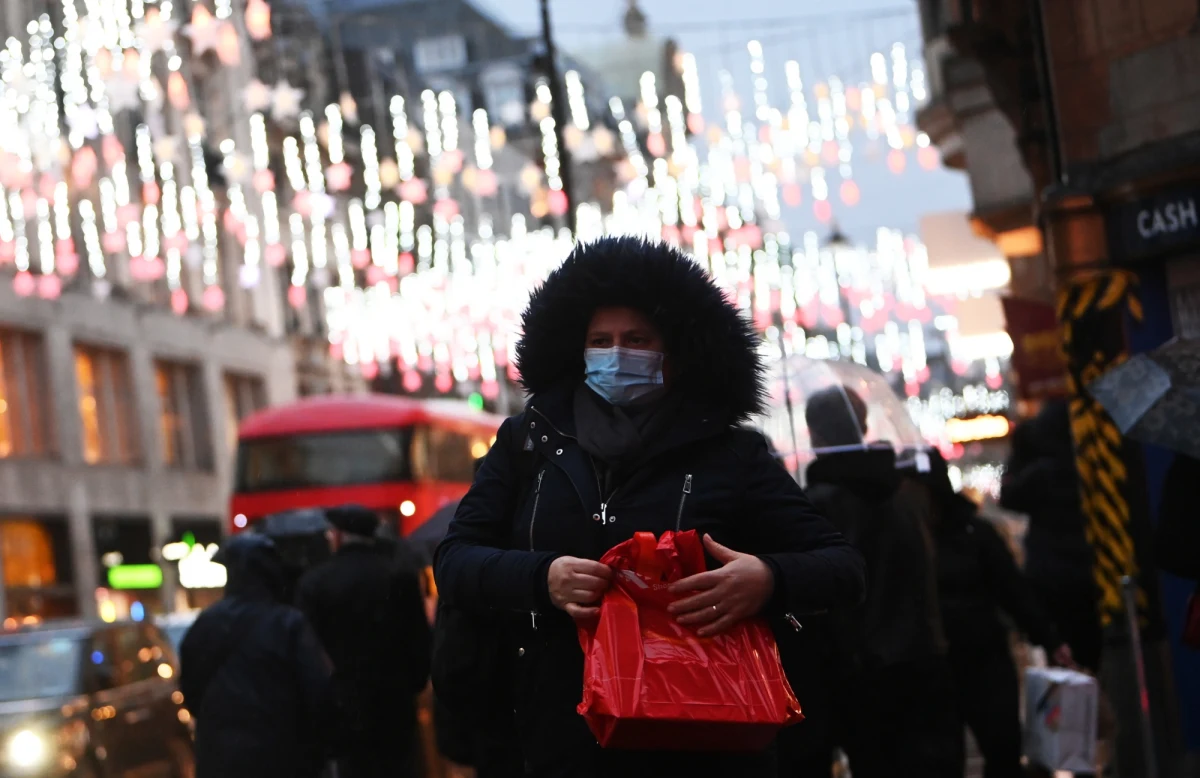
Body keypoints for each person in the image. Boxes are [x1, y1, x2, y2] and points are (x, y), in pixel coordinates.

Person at [435, 236, 866, 778]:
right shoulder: (528, 443)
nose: (618, 354)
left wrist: (766, 579)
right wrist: (541, 578)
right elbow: (454, 562)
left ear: (672, 351)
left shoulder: (730, 452)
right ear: (577, 349)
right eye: (601, 340)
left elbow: (843, 568)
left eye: (637, 339)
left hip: (702, 738)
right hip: (557, 736)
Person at [793, 386, 960, 778]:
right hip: (926, 657)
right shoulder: (911, 491)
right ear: (864, 425)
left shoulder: (814, 506)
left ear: (814, 434)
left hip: (859, 672)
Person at [922, 448, 1072, 778]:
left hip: (970, 659)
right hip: (956, 661)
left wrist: (1048, 638)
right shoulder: (964, 533)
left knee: (998, 749)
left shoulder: (966, 534)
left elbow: (1013, 590)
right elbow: (1013, 590)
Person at [180, 533, 333, 778]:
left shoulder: (205, 624)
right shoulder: (288, 624)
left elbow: (191, 692)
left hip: (221, 760)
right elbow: (317, 691)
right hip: (282, 759)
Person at [295, 505, 432, 778]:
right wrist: (412, 684)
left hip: (344, 707)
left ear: (338, 537)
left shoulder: (315, 583)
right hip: (395, 704)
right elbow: (419, 642)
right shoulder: (399, 576)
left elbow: (308, 652)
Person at [1000, 400, 1103, 672]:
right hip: (1091, 572)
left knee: (1064, 663)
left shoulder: (1039, 473)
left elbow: (1008, 497)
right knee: (1092, 658)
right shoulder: (1088, 464)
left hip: (1051, 577)